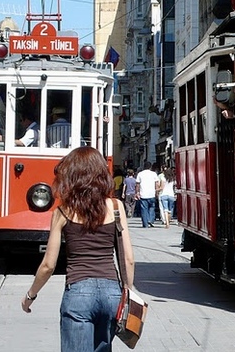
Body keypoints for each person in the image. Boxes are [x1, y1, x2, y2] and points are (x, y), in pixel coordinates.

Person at [20, 146, 134, 351]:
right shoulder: (117, 207)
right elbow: (128, 259)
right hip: (112, 294)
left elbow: (48, 265)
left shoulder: (63, 212)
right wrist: (127, 293)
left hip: (78, 293)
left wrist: (30, 295)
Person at [135, 161, 160, 228]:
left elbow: (137, 184)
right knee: (152, 207)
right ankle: (150, 220)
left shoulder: (140, 174)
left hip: (143, 194)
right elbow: (157, 183)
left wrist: (137, 193)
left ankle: (145, 223)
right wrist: (156, 192)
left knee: (144, 209)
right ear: (150, 167)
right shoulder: (154, 174)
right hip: (152, 194)